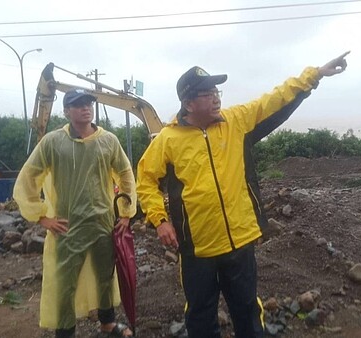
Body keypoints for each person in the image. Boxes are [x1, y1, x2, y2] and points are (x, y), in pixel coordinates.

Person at [136, 52, 349, 338]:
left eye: (216, 91)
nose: (216, 98)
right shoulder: (168, 140)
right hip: (197, 248)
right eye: (207, 93)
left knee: (247, 310)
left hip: (239, 240)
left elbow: (274, 99)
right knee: (200, 316)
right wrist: (160, 220)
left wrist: (315, 74)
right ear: (188, 103)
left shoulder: (236, 121)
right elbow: (146, 179)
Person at [13, 88, 136, 338]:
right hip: (68, 227)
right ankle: (66, 331)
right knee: (65, 283)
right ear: (67, 111)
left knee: (105, 275)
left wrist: (125, 212)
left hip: (103, 222)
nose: (85, 108)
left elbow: (125, 173)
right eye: (78, 104)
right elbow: (28, 177)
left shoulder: (108, 140)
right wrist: (42, 216)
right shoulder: (53, 142)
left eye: (88, 103)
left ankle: (108, 323)